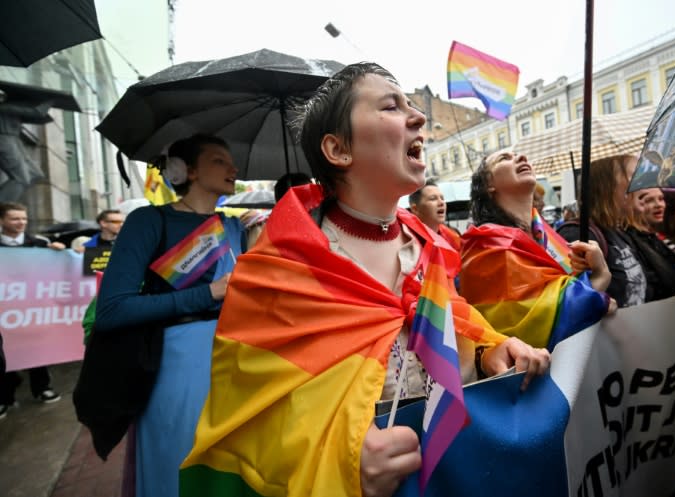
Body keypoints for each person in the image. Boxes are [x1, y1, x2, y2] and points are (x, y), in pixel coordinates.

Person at [180, 62, 550, 497]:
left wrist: (492, 351)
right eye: (391, 107)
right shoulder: (274, 273)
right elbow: (248, 423)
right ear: (338, 151)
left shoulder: (425, 248)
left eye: (412, 105)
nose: (418, 117)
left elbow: (458, 326)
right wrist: (343, 456)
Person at [92, 134, 246, 497]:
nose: (233, 168)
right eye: (219, 161)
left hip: (235, 362)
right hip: (177, 365)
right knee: (179, 464)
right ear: (186, 170)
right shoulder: (150, 222)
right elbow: (112, 310)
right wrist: (207, 293)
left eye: (231, 161)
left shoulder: (234, 227)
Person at [460, 148, 614, 350]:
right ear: (488, 185)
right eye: (504, 159)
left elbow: (563, 287)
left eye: (520, 155)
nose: (522, 157)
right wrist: (598, 281)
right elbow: (525, 326)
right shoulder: (485, 245)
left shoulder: (547, 234)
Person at [0, 201, 65, 418]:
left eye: (24, 219)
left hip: (33, 310)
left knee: (36, 349)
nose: (20, 223)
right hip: (5, 311)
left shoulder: (40, 244)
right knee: (5, 353)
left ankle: (42, 388)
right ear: (2, 221)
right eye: (15, 218)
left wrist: (60, 253)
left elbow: (60, 269)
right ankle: (4, 397)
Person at [558, 155, 648, 308]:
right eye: (634, 176)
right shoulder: (578, 235)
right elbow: (572, 303)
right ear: (608, 186)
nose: (641, 183)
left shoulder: (618, 231)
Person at [408, 178, 461, 250]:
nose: (441, 203)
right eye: (433, 199)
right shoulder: (407, 240)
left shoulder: (454, 236)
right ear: (415, 209)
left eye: (442, 198)